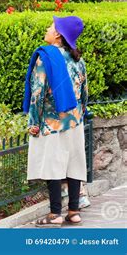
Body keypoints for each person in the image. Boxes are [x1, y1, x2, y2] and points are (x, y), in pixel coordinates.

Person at [23, 16, 88, 227]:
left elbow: (38, 92)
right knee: (74, 164)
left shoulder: (47, 57)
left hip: (52, 122)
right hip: (74, 119)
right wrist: (79, 113)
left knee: (53, 165)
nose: (47, 28)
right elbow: (84, 93)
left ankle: (55, 214)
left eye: (51, 26)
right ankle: (74, 211)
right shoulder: (78, 59)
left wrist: (33, 121)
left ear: (58, 34)